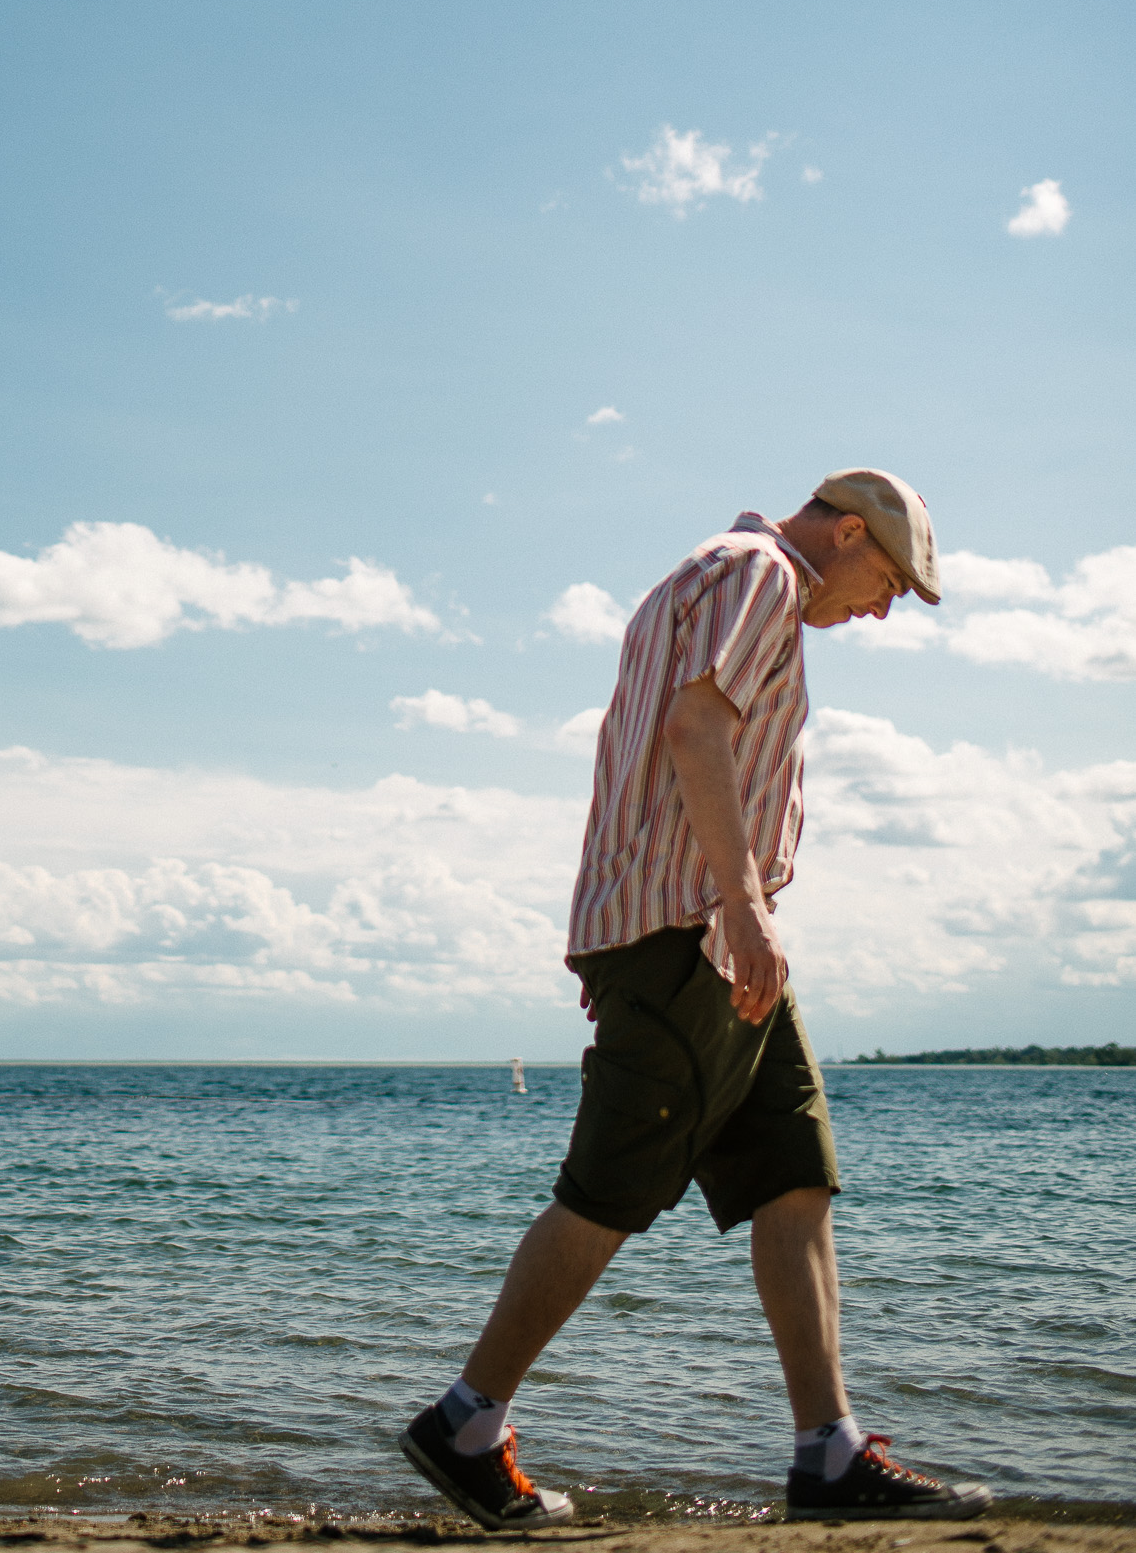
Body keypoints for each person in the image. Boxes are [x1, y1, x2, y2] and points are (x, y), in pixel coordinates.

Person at [398, 470, 999, 1531]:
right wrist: (741, 903)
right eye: (888, 581)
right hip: (686, 931)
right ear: (848, 532)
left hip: (718, 937)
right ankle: (464, 1421)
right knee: (611, 1188)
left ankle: (829, 1455)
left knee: (793, 1175)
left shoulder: (730, 579)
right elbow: (695, 731)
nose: (881, 607)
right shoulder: (759, 571)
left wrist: (744, 916)